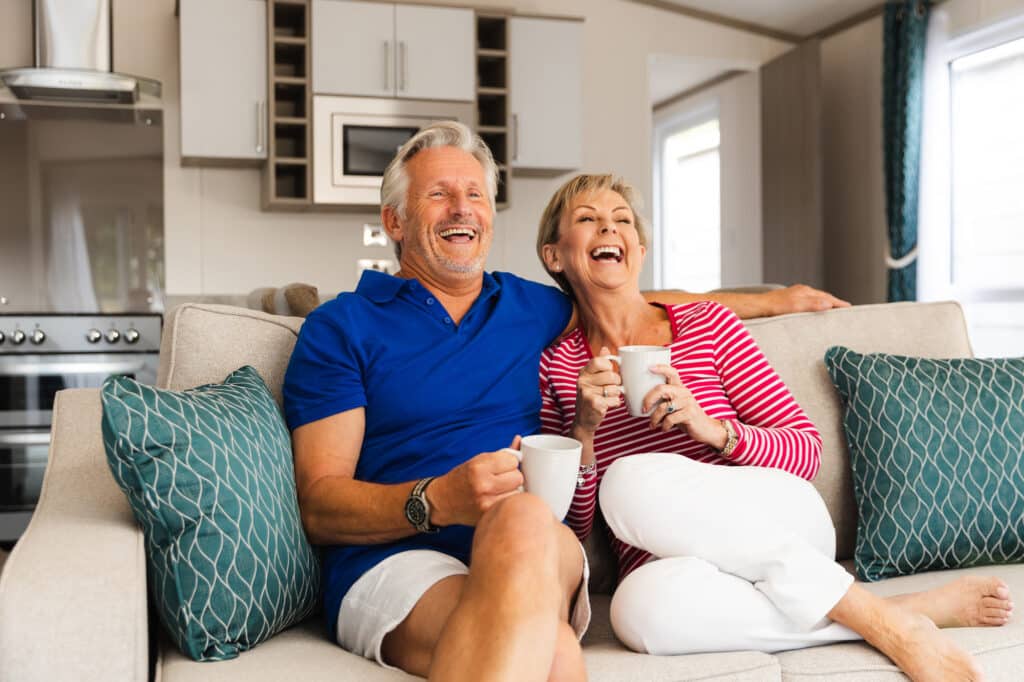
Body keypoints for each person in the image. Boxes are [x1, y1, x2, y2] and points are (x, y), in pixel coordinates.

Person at [282, 121, 850, 681]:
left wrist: (772, 300)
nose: (462, 209)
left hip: (533, 540)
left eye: (475, 194)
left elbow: (625, 297)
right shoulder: (342, 326)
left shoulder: (530, 307)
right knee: (549, 648)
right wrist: (437, 500)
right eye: (439, 195)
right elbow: (320, 507)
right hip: (401, 555)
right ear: (394, 221)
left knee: (524, 516)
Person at [535, 173, 1014, 681]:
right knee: (636, 613)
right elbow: (573, 530)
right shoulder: (558, 368)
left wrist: (712, 429)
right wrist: (583, 431)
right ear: (555, 256)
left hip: (782, 523)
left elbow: (806, 451)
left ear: (640, 249)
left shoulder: (708, 324)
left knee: (627, 480)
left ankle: (891, 629)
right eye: (587, 219)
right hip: (672, 564)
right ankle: (887, 611)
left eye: (622, 220)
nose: (609, 228)